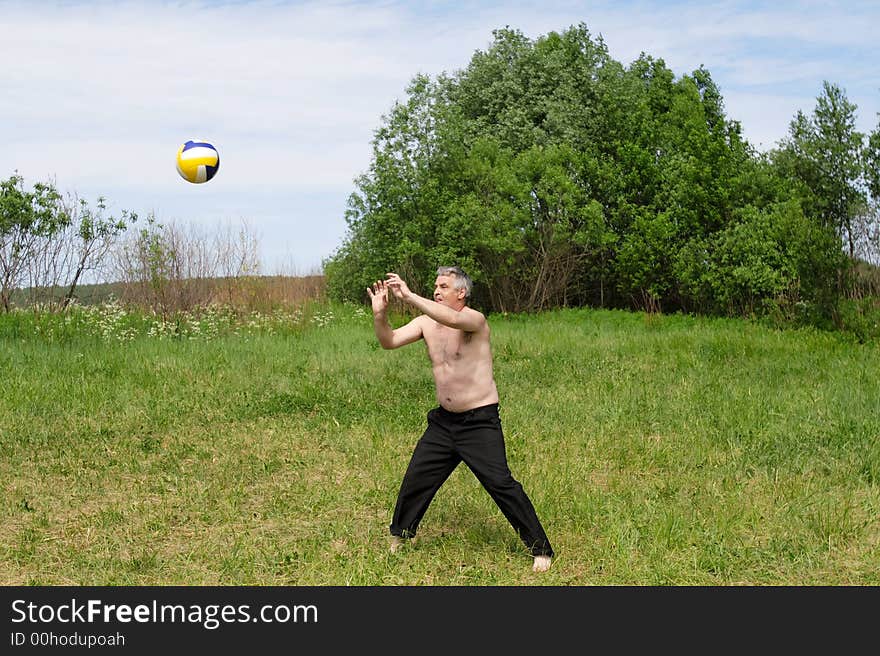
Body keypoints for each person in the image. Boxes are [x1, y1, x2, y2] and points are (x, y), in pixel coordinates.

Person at [367, 266, 554, 573]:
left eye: (443, 286)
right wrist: (380, 315)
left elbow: (452, 319)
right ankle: (400, 535)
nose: (436, 290)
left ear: (461, 293)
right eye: (435, 286)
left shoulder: (474, 320)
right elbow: (389, 341)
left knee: (500, 483)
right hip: (443, 422)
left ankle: (540, 550)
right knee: (417, 477)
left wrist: (409, 295)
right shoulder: (426, 323)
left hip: (479, 421)